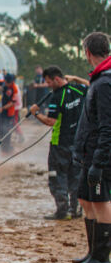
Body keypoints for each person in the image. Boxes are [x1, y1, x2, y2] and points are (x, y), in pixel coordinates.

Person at [72, 32, 111, 263]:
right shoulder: (98, 79)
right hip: (89, 154)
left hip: (100, 155)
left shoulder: (105, 83)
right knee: (85, 199)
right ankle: (92, 252)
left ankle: (101, 256)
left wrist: (99, 162)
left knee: (100, 201)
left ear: (87, 52)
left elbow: (108, 126)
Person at [29, 66, 87, 220]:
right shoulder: (78, 89)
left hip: (60, 144)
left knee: (57, 177)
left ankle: (62, 211)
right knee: (76, 177)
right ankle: (75, 210)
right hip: (78, 144)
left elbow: (50, 121)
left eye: (49, 82)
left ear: (56, 79)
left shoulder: (57, 97)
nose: (48, 85)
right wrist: (75, 78)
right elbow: (90, 84)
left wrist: (36, 113)